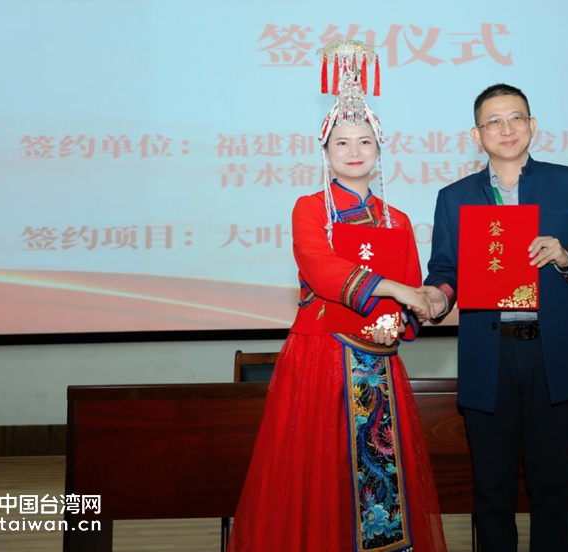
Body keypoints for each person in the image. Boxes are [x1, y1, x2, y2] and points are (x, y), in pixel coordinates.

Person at [228, 40, 446, 552]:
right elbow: (323, 272)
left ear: (379, 150)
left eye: (365, 141)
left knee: (379, 477)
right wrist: (396, 290)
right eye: (342, 142)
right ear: (325, 152)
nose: (354, 151)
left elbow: (413, 287)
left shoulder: (398, 219)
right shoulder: (309, 209)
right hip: (321, 359)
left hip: (379, 362)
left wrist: (412, 312)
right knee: (318, 471)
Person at [418, 83, 568, 551]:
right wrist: (436, 298)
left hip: (551, 354)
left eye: (516, 118)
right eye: (494, 121)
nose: (506, 129)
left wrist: (567, 256)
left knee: (552, 488)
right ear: (477, 135)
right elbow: (445, 271)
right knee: (492, 491)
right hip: (488, 356)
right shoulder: (454, 197)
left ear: (533, 126)